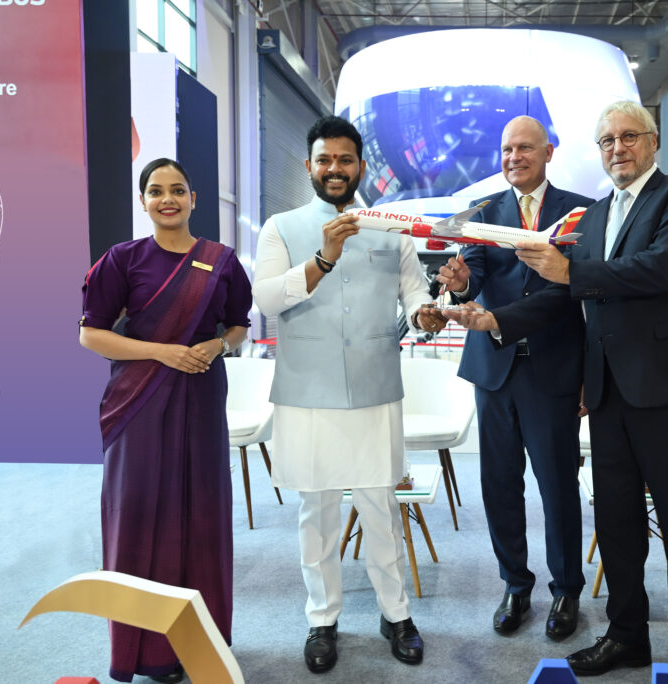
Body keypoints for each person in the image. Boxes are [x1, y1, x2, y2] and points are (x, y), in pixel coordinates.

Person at [445, 100, 668, 682]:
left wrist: (569, 274)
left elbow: (661, 268)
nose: (617, 148)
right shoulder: (594, 218)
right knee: (618, 520)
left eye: (628, 137)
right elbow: (562, 294)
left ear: (652, 143)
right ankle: (626, 636)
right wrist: (498, 322)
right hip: (606, 388)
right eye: (606, 141)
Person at [252, 115, 447, 674]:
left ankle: (396, 614)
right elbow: (266, 299)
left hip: (374, 387)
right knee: (317, 511)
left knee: (381, 507)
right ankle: (322, 620)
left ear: (361, 166)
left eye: (344, 159)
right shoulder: (281, 227)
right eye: (324, 160)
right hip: (307, 391)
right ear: (308, 166)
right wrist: (322, 258)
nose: (334, 169)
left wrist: (427, 313)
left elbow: (413, 294)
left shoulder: (391, 228)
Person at [79, 158, 252, 683]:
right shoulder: (122, 260)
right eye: (156, 191)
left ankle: (200, 641)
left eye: (177, 190)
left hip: (200, 399)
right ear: (143, 201)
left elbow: (240, 325)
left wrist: (219, 344)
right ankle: (145, 653)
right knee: (137, 517)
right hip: (138, 404)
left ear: (194, 199)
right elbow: (92, 334)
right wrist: (163, 353)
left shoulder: (221, 261)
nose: (167, 199)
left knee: (201, 516)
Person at [436, 115, 594, 639]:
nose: (513, 158)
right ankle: (515, 585)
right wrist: (460, 285)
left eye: (524, 148)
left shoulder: (581, 212)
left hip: (552, 371)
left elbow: (578, 294)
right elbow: (473, 278)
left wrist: (590, 376)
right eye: (506, 150)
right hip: (495, 373)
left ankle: (567, 590)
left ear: (549, 151)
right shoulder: (486, 213)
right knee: (499, 486)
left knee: (556, 488)